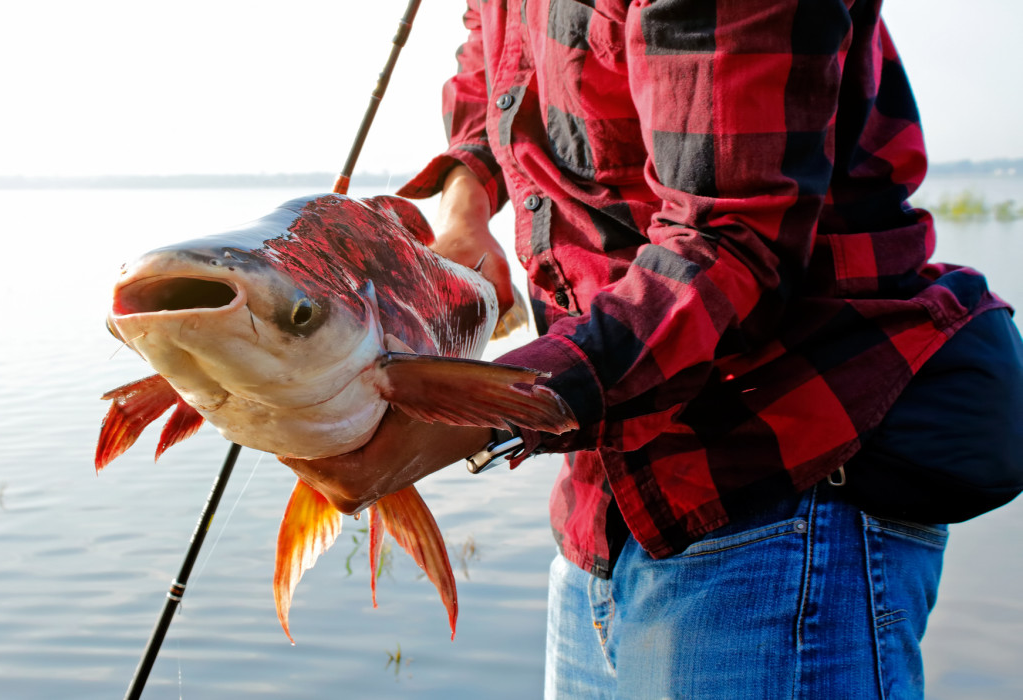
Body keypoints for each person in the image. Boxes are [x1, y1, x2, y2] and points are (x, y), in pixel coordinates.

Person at [283, 1, 1023, 697]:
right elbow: (493, 62)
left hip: (778, 497)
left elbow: (731, 243)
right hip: (604, 507)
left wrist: (467, 412)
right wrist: (463, 207)